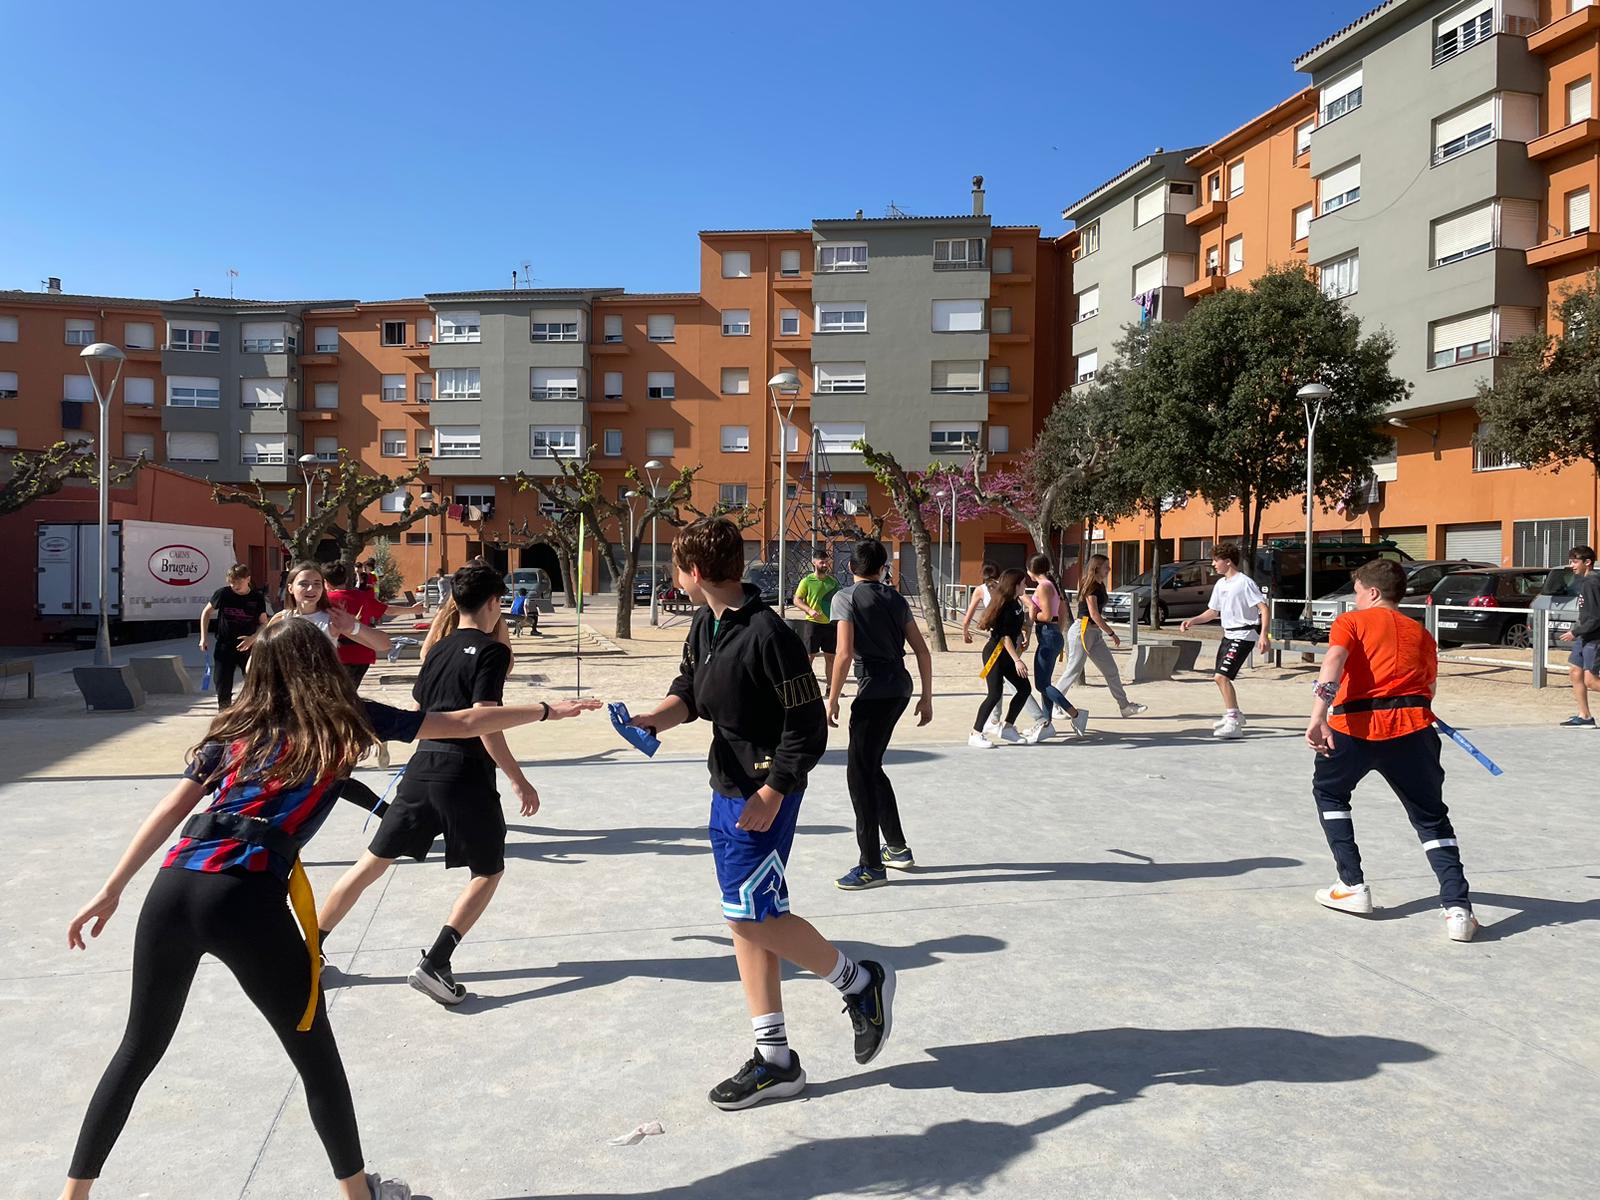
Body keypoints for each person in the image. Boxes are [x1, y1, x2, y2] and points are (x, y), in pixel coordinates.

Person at [58, 618, 592, 1200]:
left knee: (137, 1049)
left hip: (173, 887)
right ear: (321, 662)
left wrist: (112, 888)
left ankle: (73, 1196)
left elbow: (169, 809)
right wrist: (543, 710)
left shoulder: (236, 728)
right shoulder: (348, 716)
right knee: (315, 1058)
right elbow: (464, 723)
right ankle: (359, 1196)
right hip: (245, 895)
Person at [624, 517, 896, 1111]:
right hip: (725, 789)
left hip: (763, 797)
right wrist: (651, 720)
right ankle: (775, 1060)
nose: (677, 577)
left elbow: (806, 730)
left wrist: (772, 792)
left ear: (695, 572)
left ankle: (860, 982)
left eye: (677, 567)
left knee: (750, 917)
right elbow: (691, 694)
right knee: (746, 917)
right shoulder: (706, 622)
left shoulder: (771, 635)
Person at [316, 563, 593, 1006]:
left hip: (421, 768)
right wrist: (518, 780)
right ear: (492, 603)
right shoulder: (492, 651)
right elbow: (483, 721)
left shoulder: (438, 649)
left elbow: (423, 703)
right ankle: (436, 963)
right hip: (464, 773)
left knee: (370, 864)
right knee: (488, 871)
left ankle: (310, 949)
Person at [1304, 558, 1477, 943]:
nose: (1355, 598)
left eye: (1358, 591)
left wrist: (1318, 714)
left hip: (1354, 727)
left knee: (1330, 792)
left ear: (1373, 592)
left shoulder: (1351, 622)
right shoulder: (1421, 633)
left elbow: (1334, 659)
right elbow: (1429, 689)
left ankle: (1351, 884)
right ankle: (1458, 909)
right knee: (1431, 818)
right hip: (1414, 730)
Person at [825, 538, 933, 889]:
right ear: (882, 566)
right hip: (900, 688)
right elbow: (922, 652)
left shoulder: (845, 598)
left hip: (872, 691)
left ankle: (871, 864)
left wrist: (833, 698)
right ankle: (897, 848)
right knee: (872, 768)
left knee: (859, 776)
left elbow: (842, 654)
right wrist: (926, 698)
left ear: (850, 567)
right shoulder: (896, 598)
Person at [1180, 544, 1270, 740]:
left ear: (1227, 561)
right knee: (1218, 677)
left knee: (1222, 677)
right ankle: (1235, 714)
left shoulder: (1244, 583)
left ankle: (1234, 721)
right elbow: (1213, 612)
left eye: (1215, 560)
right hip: (1228, 635)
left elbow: (1263, 608)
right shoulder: (1221, 584)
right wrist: (1192, 621)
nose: (1213, 564)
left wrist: (1264, 635)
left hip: (1243, 635)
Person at [1059, 553, 1144, 723]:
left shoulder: (1100, 585)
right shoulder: (1090, 585)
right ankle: (1054, 704)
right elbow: (1094, 614)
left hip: (1094, 633)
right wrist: (1111, 633)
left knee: (1111, 670)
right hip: (1082, 631)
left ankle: (1124, 706)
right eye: (1106, 567)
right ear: (1097, 567)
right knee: (1073, 671)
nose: (1109, 569)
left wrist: (1104, 631)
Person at [1021, 554, 1092, 743]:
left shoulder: (1043, 587)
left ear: (1031, 570)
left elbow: (1046, 615)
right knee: (1045, 682)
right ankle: (1046, 723)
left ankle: (1075, 713)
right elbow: (1060, 612)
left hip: (1047, 634)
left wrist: (1030, 609)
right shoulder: (1051, 585)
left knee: (1041, 684)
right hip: (1051, 635)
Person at [969, 568, 1033, 748]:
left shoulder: (1016, 603)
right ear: (1015, 585)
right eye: (1023, 582)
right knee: (994, 693)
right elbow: (1004, 636)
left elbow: (1014, 628)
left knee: (1024, 688)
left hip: (1008, 654)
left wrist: (1025, 633)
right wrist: (1017, 660)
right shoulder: (1004, 604)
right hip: (996, 653)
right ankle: (975, 733)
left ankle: (1007, 727)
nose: (1026, 585)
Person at [198, 563, 270, 709]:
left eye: (238, 582)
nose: (234, 586)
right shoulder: (223, 594)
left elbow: (264, 623)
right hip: (225, 645)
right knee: (222, 682)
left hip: (248, 646)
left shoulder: (256, 597)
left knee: (254, 682)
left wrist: (253, 638)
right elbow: (206, 613)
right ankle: (224, 713)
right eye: (231, 582)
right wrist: (203, 637)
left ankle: (254, 712)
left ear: (248, 579)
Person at [323, 562, 390, 689]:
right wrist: (414, 610)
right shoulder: (361, 596)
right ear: (347, 579)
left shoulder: (323, 601)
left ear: (325, 582)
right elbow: (387, 610)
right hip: (363, 653)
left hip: (336, 655)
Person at [1558, 544, 1599, 728]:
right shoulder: (1585, 582)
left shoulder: (1592, 582)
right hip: (1584, 636)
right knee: (1575, 672)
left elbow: (1595, 617)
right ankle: (1585, 716)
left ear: (1587, 562)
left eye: (1575, 562)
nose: (1572, 565)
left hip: (1594, 637)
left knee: (1591, 681)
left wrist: (1574, 632)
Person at [793, 548, 841, 680]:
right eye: (822, 562)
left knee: (831, 658)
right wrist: (809, 610)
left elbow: (838, 601)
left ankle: (830, 687)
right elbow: (796, 599)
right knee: (809, 657)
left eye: (826, 562)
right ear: (814, 562)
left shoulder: (833, 582)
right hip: (813, 624)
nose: (825, 565)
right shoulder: (807, 581)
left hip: (830, 624)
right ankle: (806, 686)